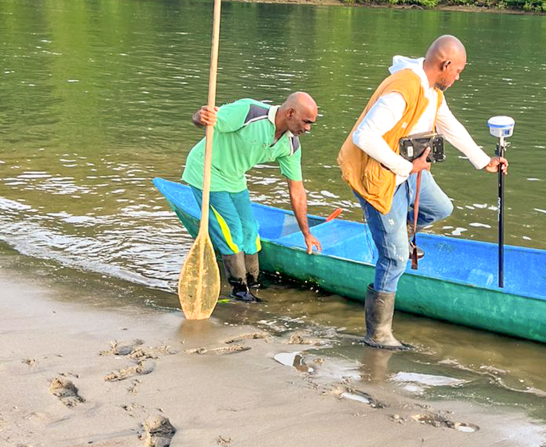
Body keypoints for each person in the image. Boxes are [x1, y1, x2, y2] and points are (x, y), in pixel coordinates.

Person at [337, 35, 508, 349]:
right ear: (444, 65)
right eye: (457, 71)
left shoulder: (432, 91)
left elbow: (449, 125)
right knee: (396, 258)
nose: (458, 77)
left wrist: (484, 161)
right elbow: (364, 136)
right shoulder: (403, 90)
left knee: (441, 208)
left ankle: (400, 233)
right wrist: (408, 168)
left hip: (405, 171)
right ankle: (378, 334)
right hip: (378, 176)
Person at [184, 92, 322, 302]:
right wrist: (200, 116)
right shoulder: (249, 111)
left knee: (250, 230)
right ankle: (239, 289)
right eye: (306, 122)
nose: (308, 128)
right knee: (232, 232)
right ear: (290, 112)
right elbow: (204, 119)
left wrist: (306, 233)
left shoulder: (291, 145)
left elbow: (297, 191)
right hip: (206, 171)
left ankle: (254, 281)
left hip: (234, 179)